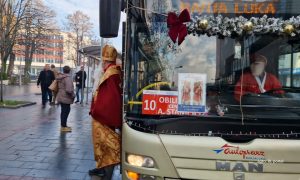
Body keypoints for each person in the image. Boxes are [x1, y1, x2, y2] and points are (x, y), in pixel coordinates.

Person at [88, 45, 122, 179]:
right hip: (102, 116)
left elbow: (110, 98)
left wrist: (97, 111)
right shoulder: (111, 71)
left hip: (103, 117)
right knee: (101, 144)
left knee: (107, 144)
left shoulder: (111, 73)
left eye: (103, 61)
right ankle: (101, 168)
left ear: (105, 61)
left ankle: (106, 172)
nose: (101, 64)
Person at [56, 66, 75, 132]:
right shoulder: (67, 78)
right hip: (66, 97)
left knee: (63, 111)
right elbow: (69, 90)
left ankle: (63, 125)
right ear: (69, 71)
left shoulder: (61, 77)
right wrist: (73, 95)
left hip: (61, 95)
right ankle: (63, 126)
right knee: (66, 111)